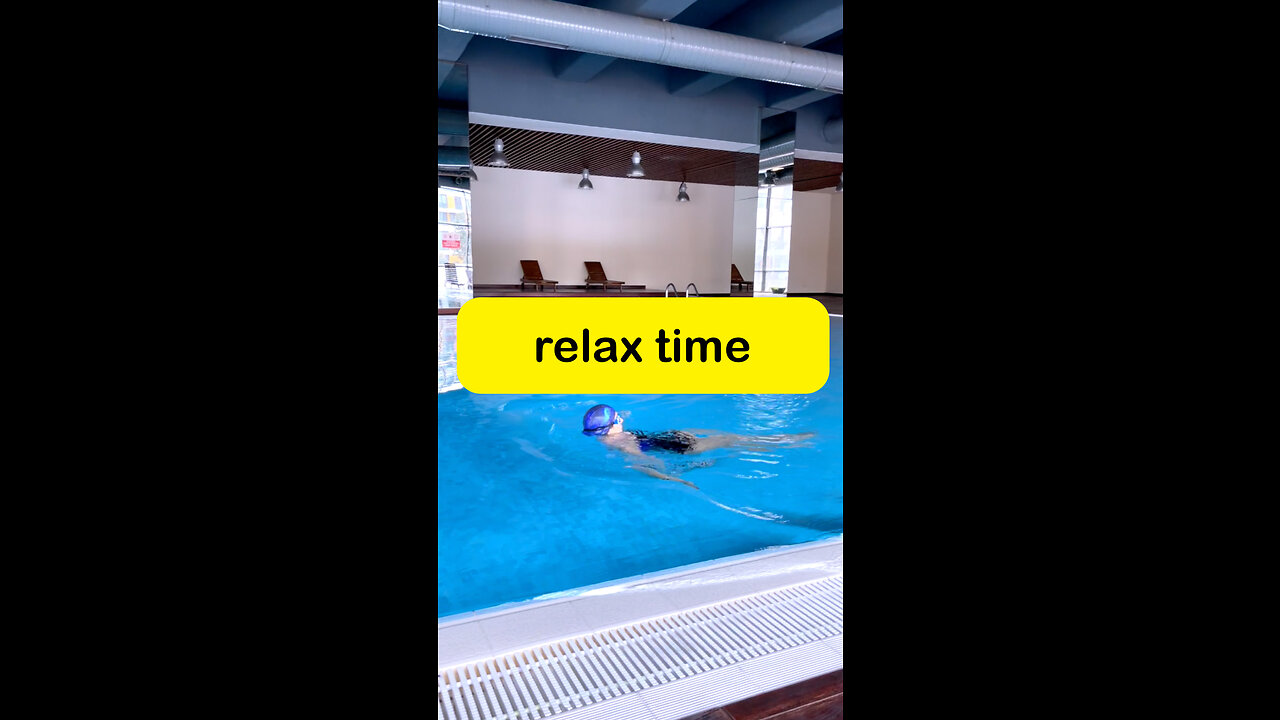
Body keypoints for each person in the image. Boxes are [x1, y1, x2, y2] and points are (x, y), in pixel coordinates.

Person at [581, 404, 815, 488]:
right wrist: (674, 478)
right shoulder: (625, 443)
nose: (622, 419)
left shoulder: (607, 438)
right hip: (682, 448)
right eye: (618, 419)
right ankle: (784, 442)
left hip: (669, 438)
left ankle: (785, 440)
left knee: (728, 436)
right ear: (611, 427)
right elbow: (644, 464)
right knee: (733, 439)